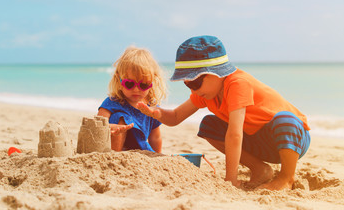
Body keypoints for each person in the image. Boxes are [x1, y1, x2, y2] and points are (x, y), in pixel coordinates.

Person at [137, 35, 310, 190]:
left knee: (285, 120)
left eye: (196, 83)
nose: (193, 89)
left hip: (291, 140)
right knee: (209, 125)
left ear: (217, 73)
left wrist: (231, 179)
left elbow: (234, 134)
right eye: (187, 84)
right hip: (258, 140)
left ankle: (286, 178)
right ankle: (260, 169)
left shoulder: (237, 83)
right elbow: (175, 117)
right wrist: (156, 112)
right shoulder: (207, 93)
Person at [98, 46, 166, 153]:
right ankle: (114, 155)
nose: (136, 89)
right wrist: (111, 127)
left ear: (152, 83)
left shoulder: (151, 108)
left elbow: (155, 137)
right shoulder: (113, 102)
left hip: (141, 152)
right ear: (119, 80)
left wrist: (158, 155)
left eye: (143, 85)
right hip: (114, 151)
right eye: (129, 84)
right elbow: (97, 124)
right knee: (120, 117)